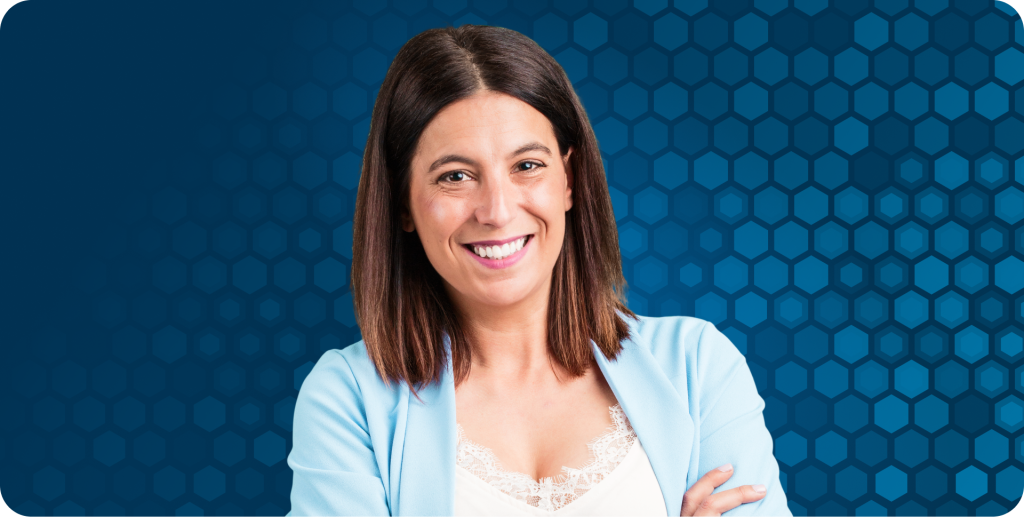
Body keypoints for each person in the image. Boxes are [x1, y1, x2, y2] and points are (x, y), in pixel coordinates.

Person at [285, 24, 791, 517]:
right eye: (455, 176)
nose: (497, 211)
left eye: (527, 166)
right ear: (402, 204)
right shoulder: (347, 400)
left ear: (568, 180)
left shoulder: (698, 369)